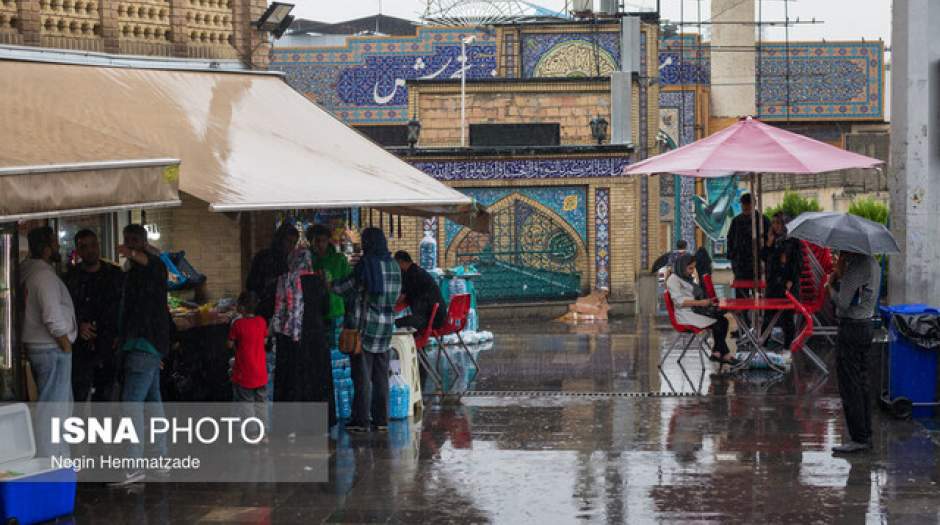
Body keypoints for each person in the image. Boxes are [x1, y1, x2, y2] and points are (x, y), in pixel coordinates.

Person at [111, 224, 170, 486]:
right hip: (150, 344)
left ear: (144, 242)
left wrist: (131, 251)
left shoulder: (153, 266)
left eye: (135, 240)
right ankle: (159, 461)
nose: (130, 245)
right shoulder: (139, 270)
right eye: (127, 240)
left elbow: (148, 262)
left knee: (131, 404)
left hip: (143, 344)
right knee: (153, 402)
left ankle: (134, 466)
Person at [333, 227, 402, 433]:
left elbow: (346, 288)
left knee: (362, 377)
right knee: (380, 377)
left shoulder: (366, 265)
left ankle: (361, 420)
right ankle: (381, 419)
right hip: (386, 328)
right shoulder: (394, 266)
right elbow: (396, 295)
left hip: (364, 330)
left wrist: (328, 284)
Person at [21, 226, 77, 458]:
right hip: (51, 348)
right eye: (54, 242)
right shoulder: (43, 276)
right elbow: (52, 317)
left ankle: (55, 460)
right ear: (45, 247)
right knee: (55, 411)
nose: (58, 247)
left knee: (52, 408)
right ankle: (55, 461)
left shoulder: (27, 272)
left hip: (41, 346)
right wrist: (65, 344)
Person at [271, 248, 335, 432]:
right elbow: (326, 308)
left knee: (292, 381)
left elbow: (277, 310)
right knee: (316, 381)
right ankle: (318, 422)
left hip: (290, 338)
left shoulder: (284, 280)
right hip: (315, 338)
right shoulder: (318, 281)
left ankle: (289, 423)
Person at [827, 251, 880, 454]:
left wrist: (830, 286)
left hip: (852, 328)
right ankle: (865, 435)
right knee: (862, 382)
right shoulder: (872, 262)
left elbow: (842, 303)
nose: (839, 252)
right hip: (865, 326)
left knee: (851, 385)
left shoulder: (857, 267)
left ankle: (858, 437)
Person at [65, 229, 124, 403]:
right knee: (78, 397)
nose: (90, 250)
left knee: (105, 398)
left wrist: (121, 334)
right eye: (84, 246)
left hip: (108, 345)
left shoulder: (115, 275)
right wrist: (77, 325)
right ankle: (79, 430)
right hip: (80, 348)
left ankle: (100, 430)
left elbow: (125, 306)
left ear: (98, 246)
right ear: (78, 250)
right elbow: (61, 310)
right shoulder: (70, 278)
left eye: (93, 245)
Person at [665, 253, 737, 366]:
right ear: (682, 266)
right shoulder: (673, 280)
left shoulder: (687, 278)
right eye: (690, 268)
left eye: (693, 268)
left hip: (694, 310)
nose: (692, 271)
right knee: (719, 323)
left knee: (723, 320)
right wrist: (701, 303)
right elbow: (679, 302)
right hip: (685, 315)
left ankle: (717, 353)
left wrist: (706, 302)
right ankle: (724, 354)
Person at [227, 291, 268, 441]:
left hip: (245, 372)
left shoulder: (238, 324)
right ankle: (263, 434)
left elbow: (230, 343)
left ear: (242, 308)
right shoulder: (262, 322)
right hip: (261, 372)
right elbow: (264, 341)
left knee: (247, 404)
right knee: (261, 404)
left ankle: (252, 433)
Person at [760, 213, 802, 349]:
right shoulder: (774, 240)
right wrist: (769, 244)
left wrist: (790, 280)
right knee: (768, 317)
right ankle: (762, 348)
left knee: (787, 318)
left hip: (787, 286)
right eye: (774, 223)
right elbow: (765, 258)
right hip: (773, 285)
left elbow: (797, 264)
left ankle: (788, 348)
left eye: (779, 223)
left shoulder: (793, 241)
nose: (776, 226)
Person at [307, 224, 352, 349]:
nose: (320, 245)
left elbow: (349, 285)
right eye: (316, 241)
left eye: (323, 241)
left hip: (336, 312)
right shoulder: (306, 260)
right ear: (311, 241)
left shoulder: (339, 259)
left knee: (336, 350)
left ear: (328, 241)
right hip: (313, 313)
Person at [246, 223, 299, 321]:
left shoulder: (292, 261)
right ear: (279, 239)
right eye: (288, 241)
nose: (291, 246)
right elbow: (251, 284)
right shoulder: (263, 257)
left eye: (294, 243)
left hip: (285, 314)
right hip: (265, 310)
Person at [727, 193, 772, 298]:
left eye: (748, 204)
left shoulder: (763, 221)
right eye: (744, 205)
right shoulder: (736, 221)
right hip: (740, 266)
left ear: (754, 204)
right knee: (741, 297)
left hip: (759, 265)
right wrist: (733, 258)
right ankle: (742, 314)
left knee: (761, 297)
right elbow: (730, 240)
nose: (745, 207)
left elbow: (769, 243)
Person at [393, 251, 446, 332]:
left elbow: (402, 297)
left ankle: (408, 343)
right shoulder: (417, 271)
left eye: (396, 264)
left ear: (401, 262)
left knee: (395, 323)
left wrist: (390, 306)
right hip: (439, 316)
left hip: (431, 319)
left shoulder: (411, 275)